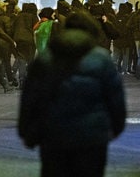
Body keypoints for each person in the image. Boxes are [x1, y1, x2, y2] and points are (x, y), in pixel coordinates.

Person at [18, 11, 126, 177]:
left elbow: (30, 98)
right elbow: (115, 99)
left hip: (54, 135)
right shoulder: (102, 59)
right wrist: (115, 128)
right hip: (92, 138)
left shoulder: (45, 59)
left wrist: (27, 132)